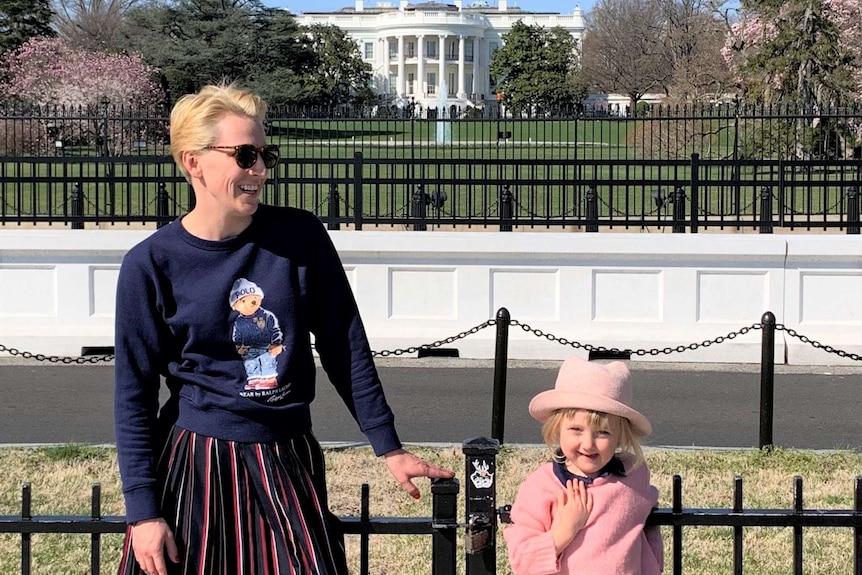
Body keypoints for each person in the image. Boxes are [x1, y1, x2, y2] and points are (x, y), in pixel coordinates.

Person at [113, 83, 454, 575]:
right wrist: (143, 511)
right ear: (193, 162)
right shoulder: (150, 264)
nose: (260, 171)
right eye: (245, 155)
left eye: (265, 154)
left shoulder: (299, 236)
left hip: (287, 456)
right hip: (197, 461)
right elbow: (134, 394)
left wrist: (389, 445)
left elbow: (344, 343)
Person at [503, 357, 663, 575]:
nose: (588, 444)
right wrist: (565, 530)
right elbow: (522, 561)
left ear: (620, 436)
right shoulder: (541, 486)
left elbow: (648, 520)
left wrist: (653, 565)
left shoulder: (634, 475)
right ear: (557, 429)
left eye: (603, 432)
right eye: (576, 430)